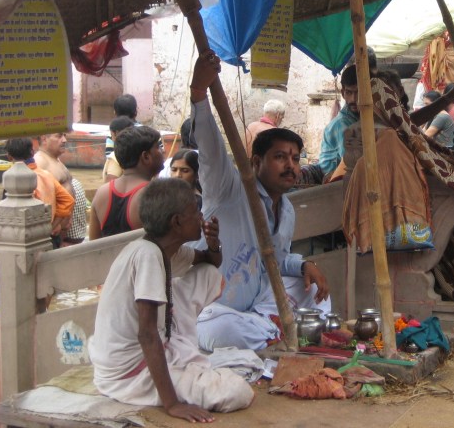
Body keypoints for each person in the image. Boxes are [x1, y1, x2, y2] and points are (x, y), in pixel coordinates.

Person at [190, 50, 330, 352]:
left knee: (316, 290)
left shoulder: (287, 209)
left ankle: (271, 332)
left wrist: (304, 264)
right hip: (214, 312)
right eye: (280, 157)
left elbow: (276, 262)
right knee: (221, 328)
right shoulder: (228, 188)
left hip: (257, 307)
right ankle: (276, 333)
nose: (290, 165)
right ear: (256, 162)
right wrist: (199, 93)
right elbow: (210, 147)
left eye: (295, 158)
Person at [89, 178, 254, 419]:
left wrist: (213, 244)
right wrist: (173, 404)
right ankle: (175, 376)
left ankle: (180, 356)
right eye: (195, 211)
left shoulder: (164, 249)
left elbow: (210, 263)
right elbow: (147, 334)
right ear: (177, 222)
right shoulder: (147, 256)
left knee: (208, 274)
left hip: (149, 352)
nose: (201, 216)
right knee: (236, 391)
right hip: (130, 376)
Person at [88, 126, 165, 239]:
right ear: (146, 156)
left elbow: (93, 246)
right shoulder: (155, 194)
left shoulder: (102, 192)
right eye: (158, 147)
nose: (163, 150)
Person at [5, 138, 75, 249]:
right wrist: (53, 225)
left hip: (27, 240)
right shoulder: (46, 175)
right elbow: (68, 200)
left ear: (9, 156)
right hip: (49, 235)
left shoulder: (14, 181)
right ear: (32, 152)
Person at [34, 132, 87, 246]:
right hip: (55, 235)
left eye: (64, 136)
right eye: (59, 136)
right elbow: (39, 198)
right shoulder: (40, 161)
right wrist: (55, 224)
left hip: (66, 232)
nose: (64, 140)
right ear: (44, 139)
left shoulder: (54, 159)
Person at [319, 65, 359, 179]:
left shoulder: (362, 118)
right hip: (333, 181)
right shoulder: (343, 125)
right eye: (349, 93)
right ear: (342, 93)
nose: (353, 99)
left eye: (358, 92)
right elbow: (351, 165)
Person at [106, 94, 139, 159]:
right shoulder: (147, 131)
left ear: (115, 113)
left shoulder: (113, 132)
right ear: (136, 112)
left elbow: (109, 155)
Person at [103, 116, 135, 182]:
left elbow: (110, 185)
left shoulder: (116, 156)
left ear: (116, 133)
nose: (111, 138)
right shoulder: (140, 152)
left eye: (111, 134)